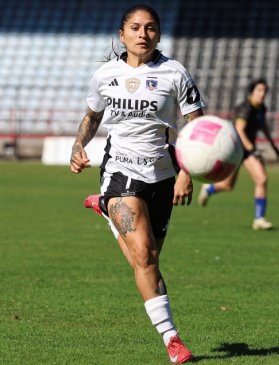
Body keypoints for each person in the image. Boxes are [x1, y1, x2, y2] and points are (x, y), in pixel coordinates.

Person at [69, 5, 205, 364]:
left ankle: (103, 208)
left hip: (162, 176)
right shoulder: (105, 75)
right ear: (122, 34)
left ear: (158, 34)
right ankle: (173, 341)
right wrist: (78, 145)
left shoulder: (175, 73)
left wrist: (188, 171)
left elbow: (196, 127)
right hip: (119, 172)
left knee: (147, 260)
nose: (142, 34)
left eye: (149, 28)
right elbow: (92, 116)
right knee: (144, 255)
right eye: (135, 27)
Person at [197, 78, 279, 231]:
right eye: (259, 90)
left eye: (265, 91)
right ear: (252, 91)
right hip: (235, 150)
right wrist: (252, 149)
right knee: (243, 182)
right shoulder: (245, 108)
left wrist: (273, 144)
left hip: (247, 151)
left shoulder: (261, 108)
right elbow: (240, 129)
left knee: (247, 182)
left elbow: (264, 127)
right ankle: (210, 189)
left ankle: (258, 218)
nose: (262, 94)